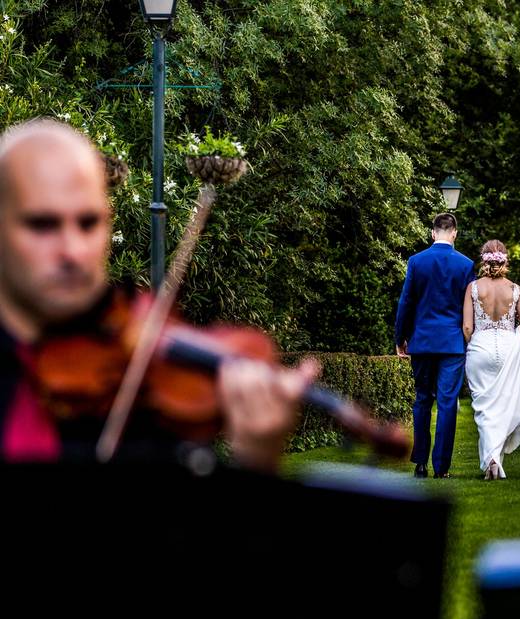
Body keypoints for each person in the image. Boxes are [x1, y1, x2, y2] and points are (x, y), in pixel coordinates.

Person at [0, 118, 316, 473]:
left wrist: (256, 459)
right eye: (43, 224)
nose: (73, 250)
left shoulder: (141, 384)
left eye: (89, 223)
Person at [395, 213, 475, 478]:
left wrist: (400, 338)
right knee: (447, 403)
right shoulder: (465, 265)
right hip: (452, 344)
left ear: (433, 233)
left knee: (422, 400)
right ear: (454, 233)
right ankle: (441, 468)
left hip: (423, 341)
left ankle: (420, 463)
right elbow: (469, 308)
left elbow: (406, 303)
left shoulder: (417, 262)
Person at [462, 240, 520, 480]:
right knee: (503, 406)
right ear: (504, 260)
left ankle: (492, 461)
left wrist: (473, 343)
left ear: (484, 260)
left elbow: (466, 327)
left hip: (480, 346)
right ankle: (493, 460)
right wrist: (516, 341)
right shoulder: (515, 289)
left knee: (484, 408)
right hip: (508, 348)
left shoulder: (473, 288)